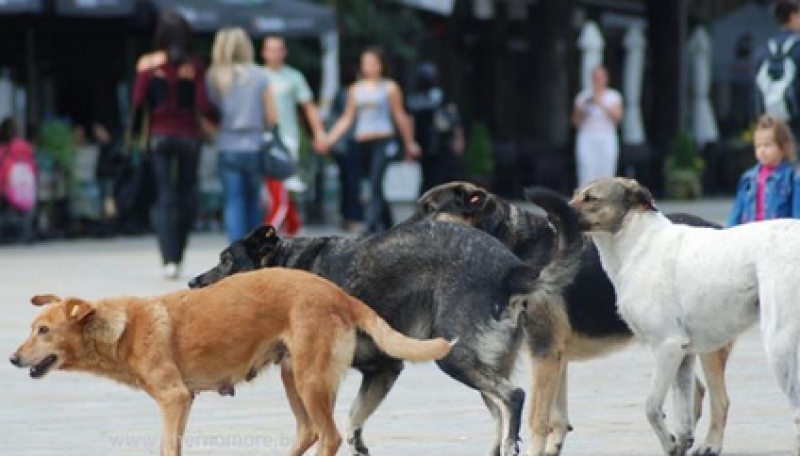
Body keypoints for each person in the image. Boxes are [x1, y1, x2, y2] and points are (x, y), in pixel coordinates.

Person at [132, 10, 215, 280]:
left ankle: (169, 259)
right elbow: (203, 104)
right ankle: (179, 249)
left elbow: (137, 100)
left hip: (159, 136)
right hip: (189, 137)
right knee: (187, 193)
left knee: (165, 197)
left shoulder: (148, 64)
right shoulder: (195, 65)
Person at [323, 47, 421, 234]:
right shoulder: (355, 89)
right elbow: (347, 118)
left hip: (383, 140)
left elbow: (400, 116)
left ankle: (371, 226)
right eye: (365, 63)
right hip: (361, 141)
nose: (369, 67)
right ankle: (387, 223)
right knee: (367, 185)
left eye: (373, 63)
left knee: (376, 183)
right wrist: (329, 139)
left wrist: (410, 143)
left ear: (381, 65)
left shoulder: (390, 87)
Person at [206, 28, 278, 242]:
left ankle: (237, 254)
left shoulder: (214, 76)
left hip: (226, 145)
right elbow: (272, 115)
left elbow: (206, 112)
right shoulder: (259, 75)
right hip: (254, 145)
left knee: (233, 201)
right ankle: (257, 251)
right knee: (253, 201)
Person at [261, 35, 327, 236]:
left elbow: (308, 107)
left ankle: (268, 232)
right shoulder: (256, 76)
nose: (274, 54)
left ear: (284, 52)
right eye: (270, 49)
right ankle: (294, 225)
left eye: (278, 49)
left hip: (287, 140)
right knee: (275, 190)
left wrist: (319, 133)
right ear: (263, 52)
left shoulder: (294, 77)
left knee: (280, 188)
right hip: (262, 140)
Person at [728, 115, 800, 226]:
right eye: (758, 146)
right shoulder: (748, 179)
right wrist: (728, 233)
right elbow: (736, 213)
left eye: (767, 145)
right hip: (750, 236)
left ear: (783, 147)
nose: (761, 150)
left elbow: (797, 216)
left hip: (776, 237)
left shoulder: (792, 178)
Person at [407, 62, 465, 194]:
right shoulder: (413, 98)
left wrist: (458, 138)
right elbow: (410, 121)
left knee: (441, 175)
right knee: (426, 177)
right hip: (422, 142)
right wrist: (409, 142)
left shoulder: (440, 96)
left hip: (440, 141)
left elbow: (453, 118)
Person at [571, 66, 623, 188]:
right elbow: (575, 121)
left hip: (606, 136)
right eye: (596, 78)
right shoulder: (583, 97)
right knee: (586, 168)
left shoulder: (613, 96)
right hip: (587, 136)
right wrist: (585, 107)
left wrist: (601, 103)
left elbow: (618, 118)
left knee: (606, 169)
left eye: (601, 78)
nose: (598, 81)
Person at [755, 0, 800, 138]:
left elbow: (757, 93)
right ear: (793, 16)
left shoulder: (764, 50)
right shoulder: (797, 48)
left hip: (773, 123)